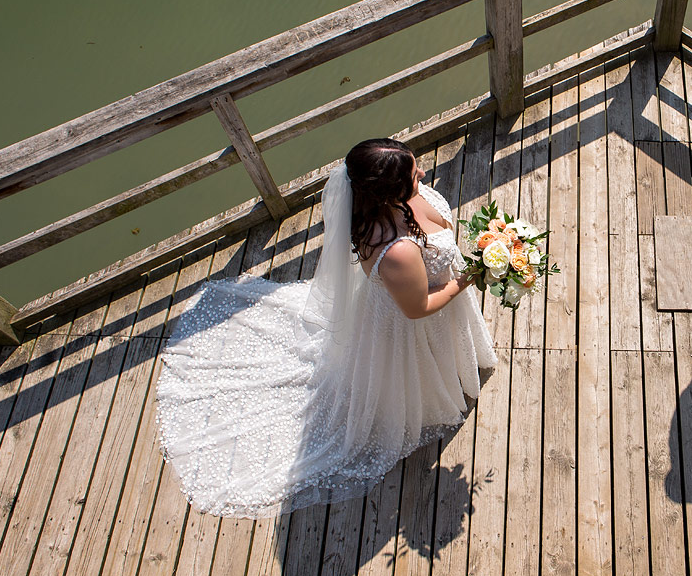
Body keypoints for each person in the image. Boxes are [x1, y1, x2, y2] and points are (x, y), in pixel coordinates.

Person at [156, 138, 497, 518]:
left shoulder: (387, 202)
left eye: (414, 166)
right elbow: (417, 309)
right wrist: (468, 277)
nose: (422, 173)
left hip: (424, 298)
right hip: (411, 323)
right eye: (413, 173)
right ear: (388, 193)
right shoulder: (396, 251)